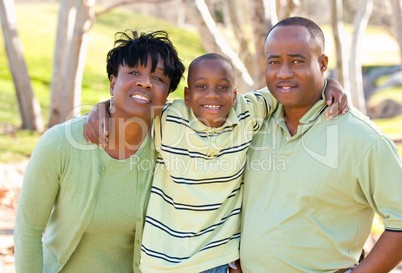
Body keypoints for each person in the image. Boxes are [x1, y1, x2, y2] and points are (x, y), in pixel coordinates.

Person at [84, 52, 348, 272]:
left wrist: (327, 84)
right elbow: (133, 103)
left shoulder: (248, 111)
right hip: (161, 262)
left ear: (234, 95)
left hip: (218, 261)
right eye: (201, 87)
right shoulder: (168, 118)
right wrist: (101, 108)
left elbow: (288, 87)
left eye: (223, 88)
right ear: (187, 96)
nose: (212, 95)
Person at [239, 16, 402, 273]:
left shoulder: (363, 139)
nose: (283, 72)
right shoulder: (252, 123)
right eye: (274, 62)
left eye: (297, 61)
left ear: (323, 63)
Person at [14, 30, 185, 273]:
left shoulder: (170, 147)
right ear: (113, 82)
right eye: (134, 72)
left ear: (167, 96)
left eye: (158, 79)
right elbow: (28, 231)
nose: (145, 82)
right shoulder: (60, 143)